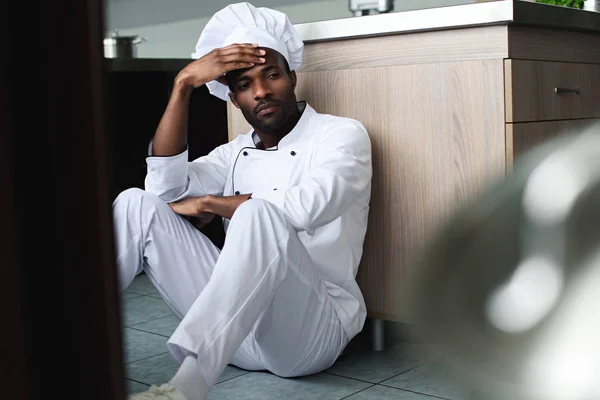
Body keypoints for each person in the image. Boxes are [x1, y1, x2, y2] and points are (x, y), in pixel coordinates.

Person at [114, 2, 373, 399]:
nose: (262, 91)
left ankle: (184, 389)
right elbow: (162, 194)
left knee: (257, 213)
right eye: (245, 84)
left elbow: (302, 208)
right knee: (134, 203)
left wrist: (210, 203)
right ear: (233, 99)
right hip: (238, 338)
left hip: (307, 337)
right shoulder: (232, 153)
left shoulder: (340, 135)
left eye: (272, 75)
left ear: (293, 77)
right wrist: (183, 84)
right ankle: (61, 343)